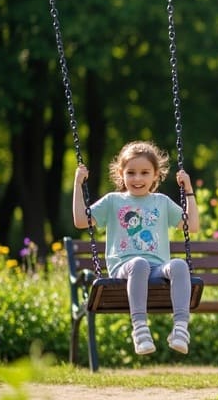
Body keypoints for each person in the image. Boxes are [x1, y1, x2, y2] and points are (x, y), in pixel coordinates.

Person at [73, 140, 200, 356]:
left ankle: (180, 329)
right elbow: (80, 220)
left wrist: (188, 190)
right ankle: (140, 330)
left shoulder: (161, 202)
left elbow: (193, 225)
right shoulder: (113, 201)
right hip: (124, 268)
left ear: (155, 175)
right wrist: (78, 184)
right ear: (121, 174)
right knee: (139, 264)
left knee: (179, 265)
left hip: (156, 269)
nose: (138, 178)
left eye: (144, 172)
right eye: (131, 172)